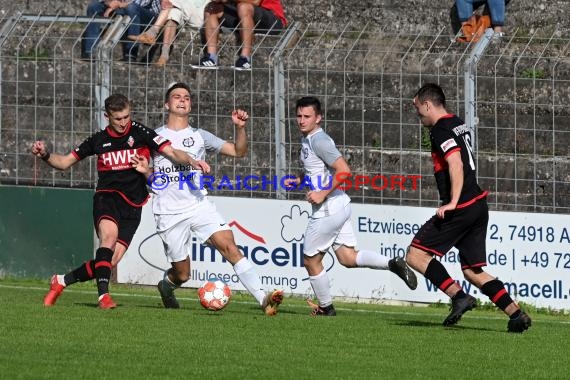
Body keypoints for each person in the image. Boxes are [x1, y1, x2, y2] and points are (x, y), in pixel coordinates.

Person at [32, 93, 210, 309]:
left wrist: (192, 160)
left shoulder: (142, 132)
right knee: (108, 238)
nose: (124, 122)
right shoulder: (98, 140)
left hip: (134, 204)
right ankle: (103, 297)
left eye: (126, 116)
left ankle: (60, 281)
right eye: (118, 119)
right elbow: (64, 163)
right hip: (107, 197)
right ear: (107, 116)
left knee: (109, 261)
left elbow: (171, 152)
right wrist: (45, 154)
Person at [130, 82, 284, 315]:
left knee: (230, 247)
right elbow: (153, 176)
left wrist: (240, 128)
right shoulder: (154, 137)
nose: (182, 100)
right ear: (166, 104)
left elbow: (238, 152)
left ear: (190, 105)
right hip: (169, 212)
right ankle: (166, 286)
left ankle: (264, 299)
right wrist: (145, 171)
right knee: (182, 274)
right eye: (176, 97)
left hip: (198, 205)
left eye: (187, 97)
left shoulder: (200, 136)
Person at [406, 83, 531, 333]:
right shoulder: (457, 122)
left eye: (419, 108)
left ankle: (458, 297)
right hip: (477, 205)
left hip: (461, 207)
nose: (418, 114)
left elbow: (455, 163)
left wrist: (452, 202)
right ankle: (516, 314)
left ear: (428, 105)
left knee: (416, 255)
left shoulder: (440, 129)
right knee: (473, 271)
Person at [283, 96, 418, 317]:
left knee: (310, 260)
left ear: (319, 118)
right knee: (347, 257)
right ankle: (392, 263)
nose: (301, 120)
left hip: (328, 208)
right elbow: (318, 167)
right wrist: (299, 180)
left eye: (307, 116)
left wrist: (321, 193)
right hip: (340, 205)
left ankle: (326, 308)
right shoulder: (308, 139)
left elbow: (344, 170)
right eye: (299, 116)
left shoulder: (319, 140)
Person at [197, 0, 287, 70]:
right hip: (242, 15)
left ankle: (245, 58)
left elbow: (256, 1)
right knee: (211, 7)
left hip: (272, 18)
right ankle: (211, 57)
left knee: (243, 7)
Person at [128, 0, 208, 66]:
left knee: (173, 2)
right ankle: (164, 55)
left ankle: (152, 33)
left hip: (200, 13)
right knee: (173, 13)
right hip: (185, 11)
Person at [82, 0, 161, 62]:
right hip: (122, 8)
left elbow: (140, 3)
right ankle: (91, 51)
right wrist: (110, 3)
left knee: (131, 7)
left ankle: (131, 54)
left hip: (149, 15)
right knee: (94, 6)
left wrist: (118, 5)